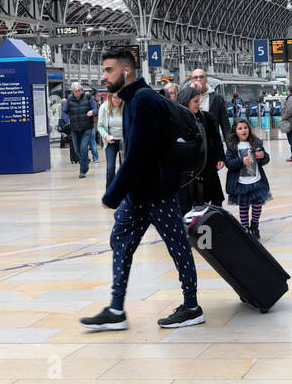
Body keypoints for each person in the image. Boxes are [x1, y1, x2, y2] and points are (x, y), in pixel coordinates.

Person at [81, 47, 202, 331]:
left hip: (156, 190)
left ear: (126, 71)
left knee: (177, 246)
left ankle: (192, 306)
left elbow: (138, 154)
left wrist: (112, 195)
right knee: (120, 239)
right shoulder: (135, 99)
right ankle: (115, 309)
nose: (104, 76)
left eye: (108, 70)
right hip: (141, 191)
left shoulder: (143, 101)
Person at [175, 86, 223, 211]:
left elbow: (216, 139)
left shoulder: (206, 118)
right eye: (195, 101)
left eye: (199, 101)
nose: (198, 104)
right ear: (186, 101)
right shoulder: (175, 119)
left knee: (207, 200)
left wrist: (220, 157)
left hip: (205, 166)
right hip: (185, 171)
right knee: (185, 204)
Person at [224, 117, 272, 238]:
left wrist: (263, 156)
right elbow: (229, 163)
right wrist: (241, 160)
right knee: (244, 207)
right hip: (241, 182)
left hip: (256, 180)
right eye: (240, 128)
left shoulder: (256, 143)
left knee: (257, 205)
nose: (243, 130)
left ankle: (254, 225)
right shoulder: (232, 146)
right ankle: (245, 230)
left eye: (245, 128)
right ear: (235, 131)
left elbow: (266, 160)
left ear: (249, 129)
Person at [189, 68, 232, 148]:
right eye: (195, 77)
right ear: (192, 81)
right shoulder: (187, 97)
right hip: (193, 144)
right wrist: (191, 92)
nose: (198, 80)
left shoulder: (217, 98)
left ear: (206, 80)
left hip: (213, 144)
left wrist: (230, 148)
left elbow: (225, 124)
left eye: (201, 77)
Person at [62, 81, 96, 178]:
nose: (78, 92)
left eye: (79, 90)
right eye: (75, 91)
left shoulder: (88, 97)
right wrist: (68, 120)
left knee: (83, 148)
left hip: (87, 127)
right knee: (77, 150)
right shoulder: (69, 99)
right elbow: (64, 112)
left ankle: (82, 171)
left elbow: (95, 109)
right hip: (74, 128)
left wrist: (92, 111)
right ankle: (86, 160)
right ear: (72, 91)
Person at [98, 90, 126, 187]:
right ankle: (109, 193)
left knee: (124, 169)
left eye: (119, 98)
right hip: (111, 141)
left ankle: (123, 194)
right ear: (110, 97)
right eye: (115, 97)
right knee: (110, 168)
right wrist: (106, 136)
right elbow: (100, 126)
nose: (117, 100)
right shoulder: (104, 108)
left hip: (124, 141)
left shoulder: (126, 106)